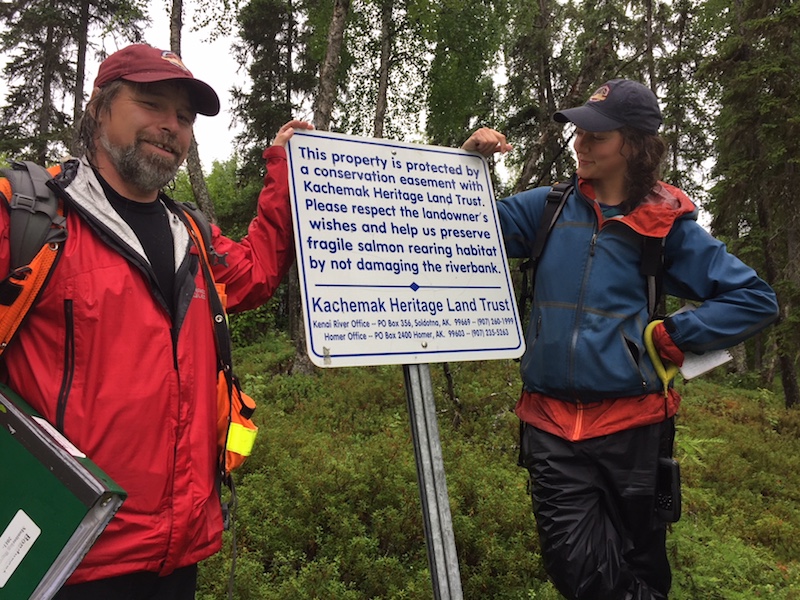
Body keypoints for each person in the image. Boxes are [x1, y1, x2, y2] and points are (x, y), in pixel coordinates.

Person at [0, 44, 312, 599]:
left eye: (185, 117)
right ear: (99, 108)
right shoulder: (25, 214)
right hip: (60, 559)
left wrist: (285, 169)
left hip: (175, 558)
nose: (171, 126)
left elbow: (259, 271)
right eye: (151, 104)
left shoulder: (192, 237)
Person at [462, 79, 779, 599]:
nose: (580, 144)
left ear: (633, 145)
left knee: (640, 561)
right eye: (579, 133)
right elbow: (455, 227)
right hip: (550, 425)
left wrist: (677, 335)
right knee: (579, 568)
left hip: (634, 428)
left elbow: (754, 299)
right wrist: (466, 165)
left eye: (596, 135)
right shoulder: (548, 209)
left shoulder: (665, 225)